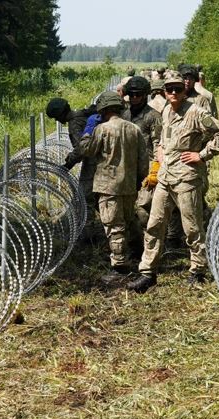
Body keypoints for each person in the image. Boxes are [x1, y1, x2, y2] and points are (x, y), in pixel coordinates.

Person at [127, 74, 219, 293]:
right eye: (169, 89)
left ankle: (197, 270)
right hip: (166, 176)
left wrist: (201, 154)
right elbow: (163, 138)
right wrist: (160, 154)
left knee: (191, 227)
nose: (173, 93)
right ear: (164, 91)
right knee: (155, 224)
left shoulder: (195, 112)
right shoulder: (166, 110)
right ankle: (147, 272)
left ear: (184, 90)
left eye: (177, 89)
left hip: (187, 177)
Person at [78, 92, 149, 281]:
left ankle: (119, 266)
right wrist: (138, 179)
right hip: (129, 184)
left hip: (108, 186)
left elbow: (87, 150)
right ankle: (139, 252)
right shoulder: (134, 129)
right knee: (129, 219)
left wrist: (87, 133)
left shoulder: (102, 129)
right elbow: (144, 160)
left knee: (114, 226)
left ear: (103, 109)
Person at [45, 97, 101, 240]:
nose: (57, 121)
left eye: (56, 118)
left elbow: (81, 150)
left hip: (93, 162)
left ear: (60, 115)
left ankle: (87, 233)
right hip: (103, 158)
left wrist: (67, 165)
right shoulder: (84, 114)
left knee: (84, 196)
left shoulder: (74, 123)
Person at [122, 76, 164, 256]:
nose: (134, 97)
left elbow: (158, 144)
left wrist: (155, 169)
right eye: (131, 94)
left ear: (145, 95)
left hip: (147, 169)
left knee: (143, 208)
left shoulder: (153, 116)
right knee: (127, 211)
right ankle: (136, 245)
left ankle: (152, 247)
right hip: (126, 169)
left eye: (138, 94)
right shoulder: (124, 114)